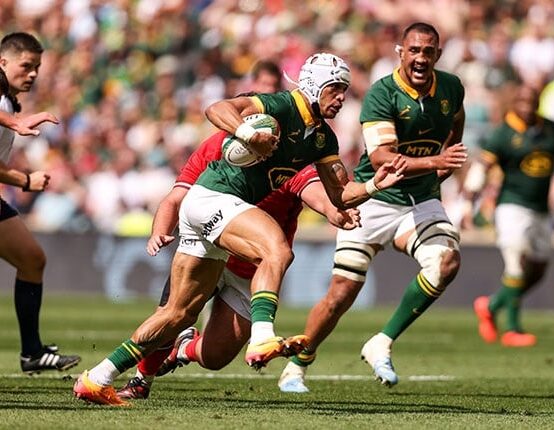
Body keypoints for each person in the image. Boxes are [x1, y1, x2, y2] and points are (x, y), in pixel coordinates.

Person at [73, 52, 407, 406]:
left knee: (178, 315)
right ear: (315, 85)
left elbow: (340, 193)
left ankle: (97, 378)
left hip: (214, 209)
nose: (341, 98)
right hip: (213, 197)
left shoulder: (322, 139)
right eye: (336, 89)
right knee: (277, 250)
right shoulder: (280, 105)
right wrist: (248, 131)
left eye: (343, 90)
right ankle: (262, 335)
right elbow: (216, 109)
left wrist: (373, 186)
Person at [278, 22, 468, 393]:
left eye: (428, 52)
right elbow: (382, 157)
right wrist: (437, 162)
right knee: (340, 295)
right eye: (414, 50)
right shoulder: (383, 93)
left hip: (421, 201)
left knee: (446, 261)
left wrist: (441, 166)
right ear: (401, 52)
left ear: (438, 56)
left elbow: (455, 122)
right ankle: (298, 365)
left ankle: (382, 340)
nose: (420, 58)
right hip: (375, 200)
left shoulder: (451, 87)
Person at [115, 130, 361, 399]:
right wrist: (158, 231)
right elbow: (176, 198)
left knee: (215, 358)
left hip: (252, 269)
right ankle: (140, 380)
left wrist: (335, 211)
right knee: (170, 317)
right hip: (208, 252)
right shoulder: (216, 146)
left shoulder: (290, 160)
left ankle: (184, 348)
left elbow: (319, 196)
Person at [462, 82, 554, 347]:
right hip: (512, 206)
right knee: (516, 264)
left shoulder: (552, 130)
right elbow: (481, 169)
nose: (527, 107)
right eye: (522, 102)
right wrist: (468, 203)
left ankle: (491, 305)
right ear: (514, 104)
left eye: (531, 102)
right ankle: (513, 329)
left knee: (539, 268)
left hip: (541, 209)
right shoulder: (502, 134)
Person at [0, 32, 80, 373]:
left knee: (32, 259)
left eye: (37, 67)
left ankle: (32, 352)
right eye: (25, 66)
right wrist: (24, 180)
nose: (32, 73)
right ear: (2, 63)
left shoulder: (7, 101)